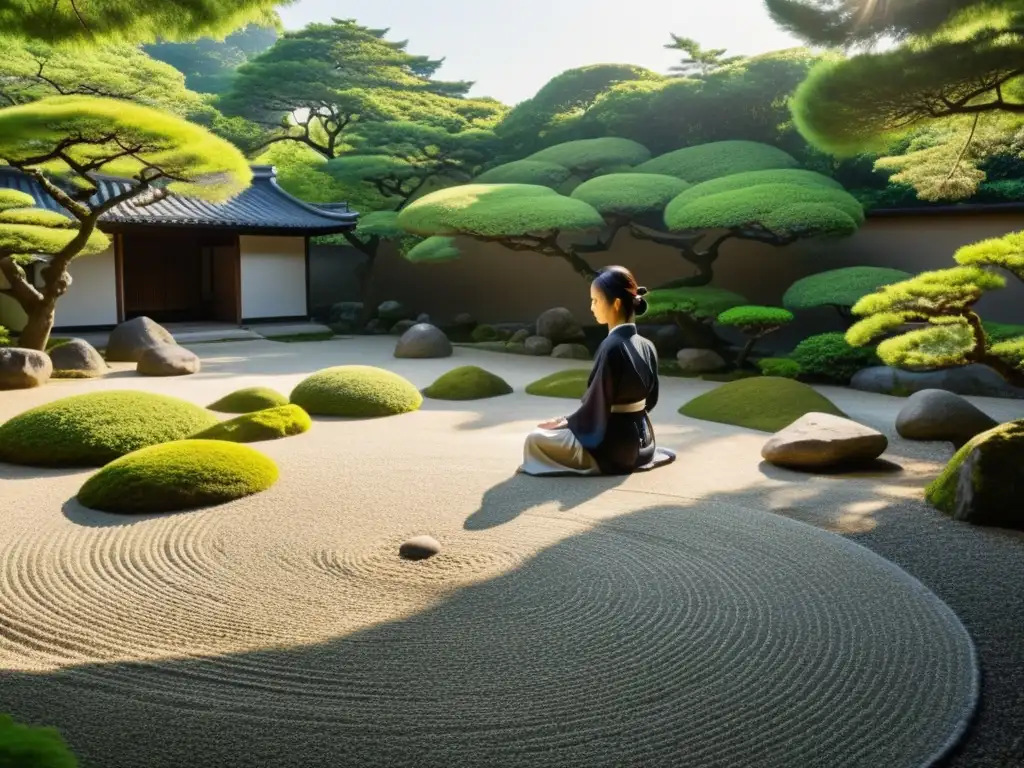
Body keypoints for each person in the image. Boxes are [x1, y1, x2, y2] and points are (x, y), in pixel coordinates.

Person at [519, 266, 675, 476]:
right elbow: (651, 401)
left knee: (535, 439)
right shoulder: (647, 346)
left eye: (596, 300)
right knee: (553, 431)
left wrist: (566, 422)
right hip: (645, 444)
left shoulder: (612, 346)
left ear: (616, 304)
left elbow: (597, 405)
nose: (592, 307)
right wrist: (568, 420)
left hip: (614, 448)